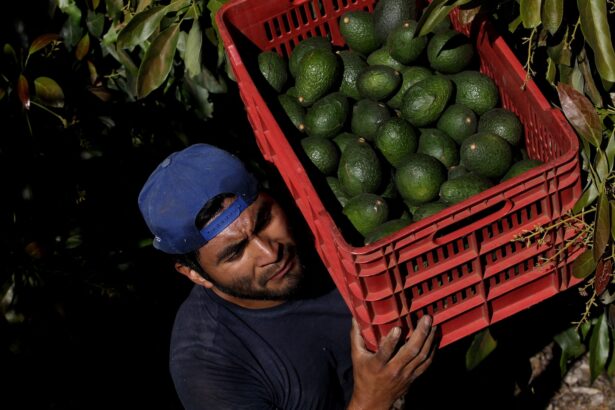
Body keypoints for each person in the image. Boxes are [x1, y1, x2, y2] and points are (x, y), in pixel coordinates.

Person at [137, 143, 436, 409]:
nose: (270, 253)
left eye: (265, 219)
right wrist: (373, 400)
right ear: (194, 274)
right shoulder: (209, 367)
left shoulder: (324, 218)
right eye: (235, 252)